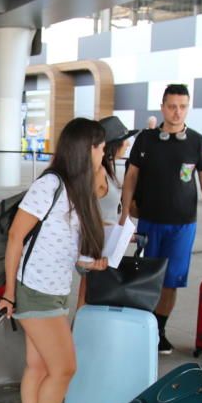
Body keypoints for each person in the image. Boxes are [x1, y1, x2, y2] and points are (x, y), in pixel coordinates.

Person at [0, 118, 108, 403]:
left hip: (56, 289)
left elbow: (60, 244)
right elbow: (17, 237)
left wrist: (92, 262)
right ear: (86, 148)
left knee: (40, 366)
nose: (104, 153)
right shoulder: (50, 185)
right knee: (64, 368)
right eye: (101, 147)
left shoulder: (75, 188)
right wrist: (10, 294)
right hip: (36, 292)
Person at [120, 83, 202, 354]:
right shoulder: (146, 140)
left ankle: (159, 330)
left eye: (183, 106)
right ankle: (141, 326)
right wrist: (124, 208)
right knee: (146, 277)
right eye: (172, 106)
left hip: (183, 224)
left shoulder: (198, 142)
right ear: (163, 107)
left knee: (171, 280)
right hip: (150, 220)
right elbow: (131, 176)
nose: (178, 112)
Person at [76, 116, 137, 309]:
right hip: (97, 248)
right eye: (124, 140)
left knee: (90, 298)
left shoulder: (104, 170)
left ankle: (77, 335)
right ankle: (76, 336)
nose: (127, 144)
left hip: (104, 245)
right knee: (87, 299)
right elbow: (83, 209)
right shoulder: (97, 172)